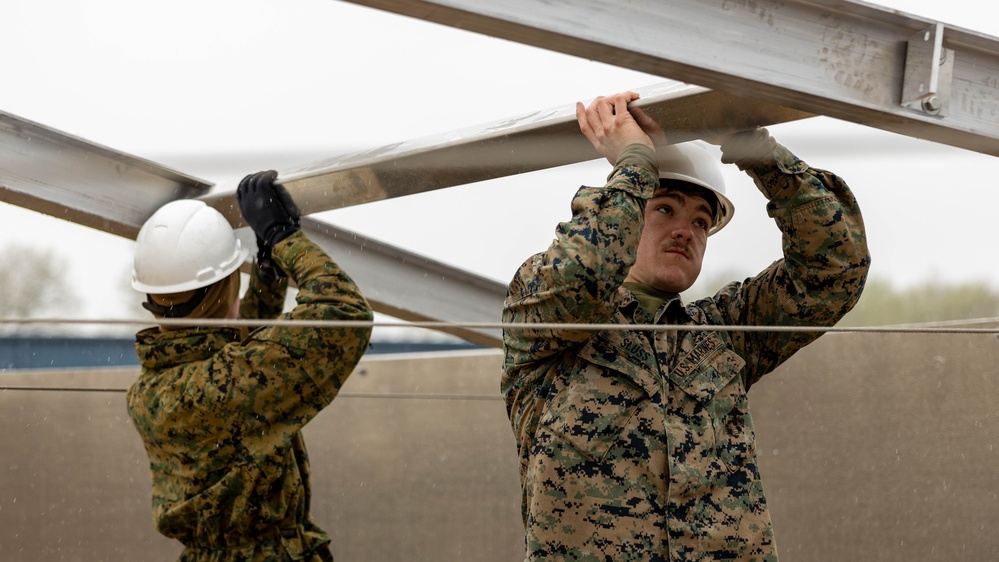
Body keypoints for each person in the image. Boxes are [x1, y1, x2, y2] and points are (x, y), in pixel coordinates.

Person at [501, 91, 870, 562]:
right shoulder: (544, 312)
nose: (686, 231)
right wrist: (634, 164)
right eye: (665, 209)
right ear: (630, 209)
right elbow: (585, 272)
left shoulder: (722, 332)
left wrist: (753, 147)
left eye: (701, 220)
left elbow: (836, 270)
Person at [127, 171, 373, 561]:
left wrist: (267, 271)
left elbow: (237, 360)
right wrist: (283, 240)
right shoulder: (228, 382)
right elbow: (343, 313)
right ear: (225, 287)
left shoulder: (148, 391)